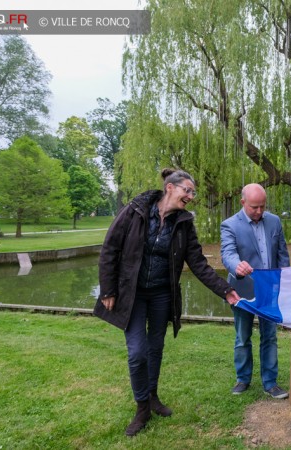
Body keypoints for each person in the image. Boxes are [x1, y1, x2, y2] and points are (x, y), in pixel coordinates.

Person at [95, 168, 240, 437]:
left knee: (155, 349)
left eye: (193, 192)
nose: (191, 196)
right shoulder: (135, 210)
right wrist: (108, 290)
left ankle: (152, 397)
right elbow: (110, 249)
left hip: (162, 295)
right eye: (188, 190)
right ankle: (141, 408)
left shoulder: (184, 223)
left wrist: (226, 290)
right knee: (137, 352)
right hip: (134, 294)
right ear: (170, 188)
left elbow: (198, 263)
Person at [220, 183, 290, 399]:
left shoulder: (274, 221)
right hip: (242, 291)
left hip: (269, 291)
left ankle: (270, 382)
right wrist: (236, 266)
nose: (259, 211)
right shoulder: (229, 225)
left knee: (270, 337)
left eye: (262, 206)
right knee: (242, 337)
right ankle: (243, 379)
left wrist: (285, 281)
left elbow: (282, 253)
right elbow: (228, 253)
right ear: (243, 203)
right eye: (254, 207)